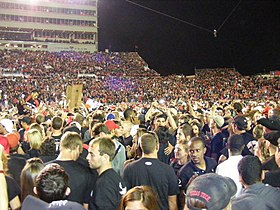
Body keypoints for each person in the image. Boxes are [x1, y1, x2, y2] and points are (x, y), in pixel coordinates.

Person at [123, 133, 179, 210]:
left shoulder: (129, 168)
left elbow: (125, 198)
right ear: (157, 146)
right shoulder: (168, 170)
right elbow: (172, 202)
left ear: (140, 147)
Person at [49, 132, 95, 207]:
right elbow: (85, 205)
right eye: (80, 152)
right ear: (77, 148)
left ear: (61, 145)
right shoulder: (86, 173)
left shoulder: (44, 169)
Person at [86, 137, 126, 210]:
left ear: (105, 157)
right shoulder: (113, 177)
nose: (87, 157)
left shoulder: (105, 183)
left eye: (92, 154)